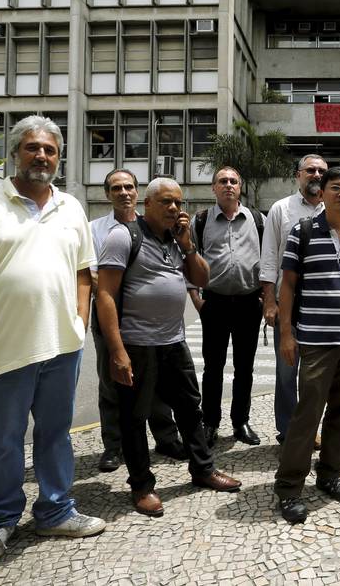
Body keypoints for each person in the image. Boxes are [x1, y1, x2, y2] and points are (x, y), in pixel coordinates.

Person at [0, 115, 106, 569]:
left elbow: (82, 272)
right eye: (32, 148)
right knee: (6, 439)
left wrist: (78, 322)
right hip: (4, 347)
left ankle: (55, 510)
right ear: (15, 152)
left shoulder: (71, 207)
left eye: (50, 150)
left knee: (55, 435)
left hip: (61, 347)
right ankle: (1, 519)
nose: (42, 156)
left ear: (59, 156)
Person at [95, 178, 241, 518]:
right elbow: (105, 295)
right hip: (137, 344)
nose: (174, 208)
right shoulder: (123, 236)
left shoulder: (176, 240)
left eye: (178, 202)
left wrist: (188, 244)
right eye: (165, 202)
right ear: (148, 205)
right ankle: (142, 486)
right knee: (135, 418)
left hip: (174, 341)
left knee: (190, 410)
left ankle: (203, 470)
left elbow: (203, 280)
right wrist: (117, 350)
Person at [273, 167, 340, 524]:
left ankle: (329, 474)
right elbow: (287, 286)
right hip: (316, 342)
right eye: (336, 188)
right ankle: (289, 488)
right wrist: (287, 334)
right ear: (322, 193)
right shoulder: (302, 232)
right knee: (307, 415)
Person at [89, 169, 184, 473]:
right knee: (112, 380)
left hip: (149, 321)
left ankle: (166, 437)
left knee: (157, 383)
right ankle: (114, 447)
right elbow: (93, 276)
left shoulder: (157, 227)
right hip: (111, 314)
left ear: (139, 193)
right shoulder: (95, 229)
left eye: (129, 186)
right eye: (116, 188)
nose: (123, 192)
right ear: (107, 194)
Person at [187, 166, 264, 447]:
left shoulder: (257, 219)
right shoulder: (202, 220)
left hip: (248, 303)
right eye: (223, 181)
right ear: (213, 188)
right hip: (215, 303)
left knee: (245, 367)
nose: (228, 185)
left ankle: (240, 422)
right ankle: (210, 423)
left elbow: (267, 261)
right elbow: (189, 259)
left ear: (240, 187)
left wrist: (265, 298)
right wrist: (196, 299)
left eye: (233, 181)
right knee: (213, 367)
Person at [260, 154, 328, 444]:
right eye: (310, 170)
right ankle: (288, 432)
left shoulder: (334, 208)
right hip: (288, 306)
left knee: (317, 377)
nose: (315, 175)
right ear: (298, 175)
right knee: (287, 373)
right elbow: (268, 260)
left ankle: (311, 428)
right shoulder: (281, 209)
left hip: (323, 308)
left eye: (321, 171)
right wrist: (269, 302)